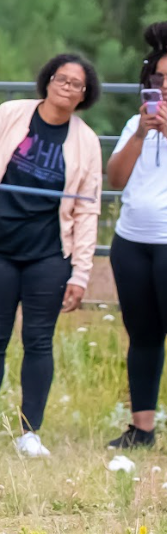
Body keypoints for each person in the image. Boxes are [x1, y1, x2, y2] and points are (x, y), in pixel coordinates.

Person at [0, 54, 102, 458]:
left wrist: (80, 273)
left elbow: (87, 209)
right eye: (62, 78)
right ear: (47, 80)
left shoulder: (86, 141)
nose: (67, 87)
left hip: (49, 256)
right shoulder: (10, 115)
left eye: (77, 84)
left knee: (39, 341)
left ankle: (29, 433)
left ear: (84, 95)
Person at [107, 23, 167, 449]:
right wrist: (144, 134)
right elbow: (115, 179)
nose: (164, 88)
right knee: (142, 335)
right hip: (132, 242)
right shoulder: (135, 123)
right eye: (159, 80)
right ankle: (142, 429)